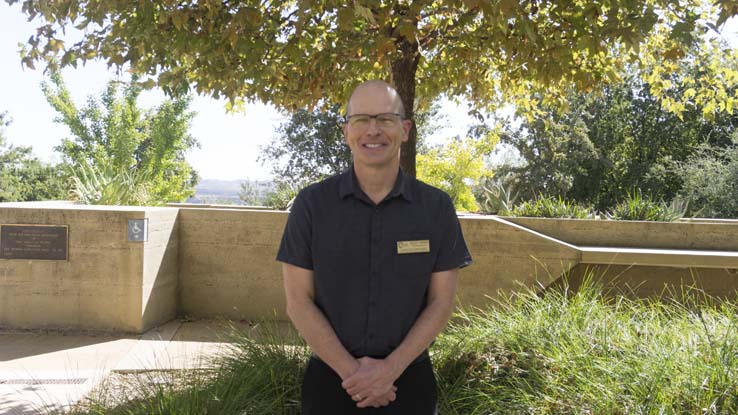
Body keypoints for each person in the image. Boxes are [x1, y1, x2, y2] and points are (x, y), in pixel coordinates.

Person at [277, 80, 472, 414]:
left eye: (385, 119)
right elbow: (298, 302)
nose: (373, 130)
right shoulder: (312, 205)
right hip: (330, 382)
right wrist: (355, 375)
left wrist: (388, 372)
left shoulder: (436, 208)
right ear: (346, 131)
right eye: (362, 120)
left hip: (409, 383)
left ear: (405, 129)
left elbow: (441, 303)